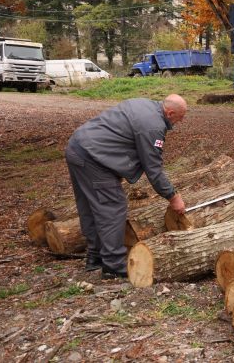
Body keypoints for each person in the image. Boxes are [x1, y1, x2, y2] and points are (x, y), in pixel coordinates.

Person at [65, 94, 187, 279]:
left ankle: (95, 257)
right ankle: (113, 264)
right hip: (93, 157)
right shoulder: (153, 126)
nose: (181, 121)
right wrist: (173, 197)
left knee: (91, 207)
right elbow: (153, 168)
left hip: (77, 147)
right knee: (113, 207)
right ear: (170, 113)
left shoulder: (145, 104)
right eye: (181, 116)